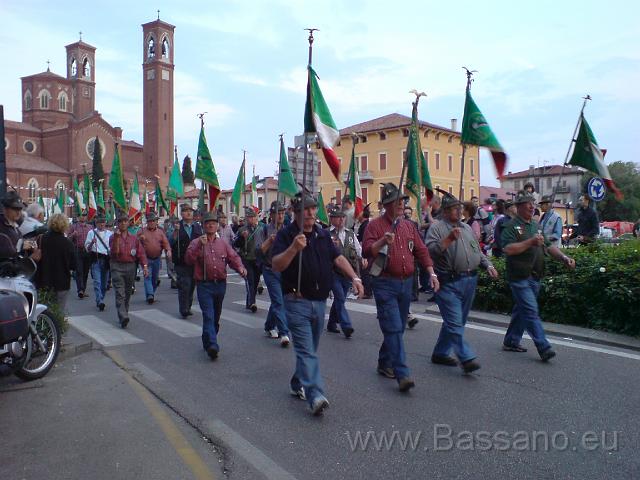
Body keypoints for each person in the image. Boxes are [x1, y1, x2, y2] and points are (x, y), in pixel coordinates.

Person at [272, 192, 363, 416]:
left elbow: (338, 258)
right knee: (306, 351)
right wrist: (293, 248)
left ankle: (297, 382)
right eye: (306, 209)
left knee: (309, 350)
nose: (311, 213)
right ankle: (315, 395)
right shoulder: (286, 235)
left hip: (319, 302)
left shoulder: (322, 235)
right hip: (296, 301)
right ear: (296, 213)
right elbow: (276, 265)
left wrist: (355, 277)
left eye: (313, 208)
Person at [363, 183, 439, 392]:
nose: (400, 204)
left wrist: (431, 273)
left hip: (406, 284)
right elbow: (367, 251)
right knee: (394, 327)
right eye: (395, 202)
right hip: (385, 282)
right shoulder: (374, 226)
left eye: (402, 201)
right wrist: (381, 242)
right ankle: (402, 373)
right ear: (386, 205)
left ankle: (385, 362)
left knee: (397, 328)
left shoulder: (408, 226)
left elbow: (422, 251)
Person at [425, 192, 499, 373]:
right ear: (445, 211)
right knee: (455, 322)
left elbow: (477, 251)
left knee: (457, 321)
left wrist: (487, 264)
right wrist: (449, 239)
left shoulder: (465, 228)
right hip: (448, 282)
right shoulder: (436, 228)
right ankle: (466, 357)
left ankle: (441, 353)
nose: (459, 212)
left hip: (469, 280)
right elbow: (430, 251)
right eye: (454, 209)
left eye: (459, 209)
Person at [501, 191, 576, 361]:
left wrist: (564, 258)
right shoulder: (511, 227)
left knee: (522, 309)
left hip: (535, 276)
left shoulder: (536, 226)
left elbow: (549, 247)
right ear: (519, 207)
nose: (531, 206)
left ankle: (511, 341)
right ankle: (544, 346)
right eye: (527, 203)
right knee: (530, 310)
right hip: (519, 277)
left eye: (532, 203)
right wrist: (530, 242)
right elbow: (509, 249)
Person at [185, 212, 247, 360]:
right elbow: (188, 259)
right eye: (207, 223)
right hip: (204, 285)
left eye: (213, 223)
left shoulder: (223, 244)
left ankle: (208, 338)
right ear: (203, 225)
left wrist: (240, 268)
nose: (210, 225)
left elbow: (233, 257)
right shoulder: (196, 242)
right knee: (208, 315)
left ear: (217, 225)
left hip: (220, 284)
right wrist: (200, 244)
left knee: (215, 317)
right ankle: (213, 345)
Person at [254, 201, 290, 345]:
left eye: (282, 213)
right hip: (270, 269)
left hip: (285, 270)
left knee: (280, 300)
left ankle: (269, 325)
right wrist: (270, 241)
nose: (280, 216)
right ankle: (284, 333)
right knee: (278, 300)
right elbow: (258, 250)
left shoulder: (288, 230)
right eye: (278, 213)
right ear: (272, 215)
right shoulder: (263, 230)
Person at [327, 206, 364, 338]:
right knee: (340, 297)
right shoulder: (327, 234)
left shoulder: (350, 234)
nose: (341, 219)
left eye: (343, 217)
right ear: (332, 219)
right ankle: (346, 325)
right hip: (332, 272)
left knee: (339, 299)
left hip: (347, 273)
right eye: (338, 217)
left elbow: (358, 251)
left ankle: (331, 323)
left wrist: (363, 259)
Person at [110, 214, 148, 328]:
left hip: (130, 266)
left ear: (128, 223)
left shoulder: (134, 238)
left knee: (127, 293)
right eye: (121, 221)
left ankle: (124, 313)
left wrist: (145, 266)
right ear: (118, 224)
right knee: (120, 293)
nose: (123, 223)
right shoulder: (113, 237)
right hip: (117, 266)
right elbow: (114, 253)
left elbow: (141, 253)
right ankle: (123, 316)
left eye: (125, 221)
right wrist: (117, 238)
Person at [35, 213, 76, 313]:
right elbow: (73, 265)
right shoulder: (68, 243)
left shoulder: (41, 239)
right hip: (62, 282)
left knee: (44, 311)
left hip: (43, 280)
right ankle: (57, 328)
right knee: (59, 312)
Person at [170, 203, 203, 318]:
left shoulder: (197, 227)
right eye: (186, 211)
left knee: (192, 286)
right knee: (185, 285)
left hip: (195, 261)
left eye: (190, 211)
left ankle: (187, 306)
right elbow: (170, 242)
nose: (189, 213)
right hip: (181, 261)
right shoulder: (176, 226)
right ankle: (183, 308)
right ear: (181, 213)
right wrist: (175, 231)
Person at [138, 213, 171, 304]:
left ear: (156, 222)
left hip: (157, 259)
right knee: (147, 276)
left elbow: (166, 243)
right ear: (147, 222)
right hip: (145, 259)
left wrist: (168, 250)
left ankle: (150, 293)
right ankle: (150, 294)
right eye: (150, 221)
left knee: (155, 279)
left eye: (153, 221)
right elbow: (135, 243)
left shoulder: (160, 232)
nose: (152, 222)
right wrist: (139, 238)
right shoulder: (142, 231)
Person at [234, 208, 261, 313]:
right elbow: (235, 244)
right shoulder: (242, 230)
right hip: (246, 259)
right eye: (249, 217)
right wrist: (242, 237)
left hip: (258, 259)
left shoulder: (261, 229)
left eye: (253, 217)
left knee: (256, 281)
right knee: (250, 281)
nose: (252, 219)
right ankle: (252, 302)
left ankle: (249, 301)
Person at [85, 215, 112, 311]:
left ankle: (101, 298)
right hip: (95, 259)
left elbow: (112, 247)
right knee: (97, 281)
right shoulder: (91, 233)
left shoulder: (110, 234)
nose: (102, 224)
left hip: (106, 260)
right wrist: (92, 243)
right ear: (96, 224)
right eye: (100, 222)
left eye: (103, 222)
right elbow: (87, 248)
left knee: (104, 285)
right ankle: (99, 300)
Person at [68, 211, 93, 299]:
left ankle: (84, 289)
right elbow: (68, 239)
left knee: (86, 271)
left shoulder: (90, 227)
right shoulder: (73, 227)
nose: (83, 217)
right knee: (79, 271)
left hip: (87, 252)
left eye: (84, 215)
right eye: (81, 215)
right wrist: (73, 235)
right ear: (78, 217)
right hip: (77, 251)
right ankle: (80, 290)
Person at [0, 191, 27, 259]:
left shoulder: (16, 227)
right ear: (5, 209)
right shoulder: (1, 227)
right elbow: (6, 253)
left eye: (20, 209)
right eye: (15, 209)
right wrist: (22, 246)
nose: (18, 212)